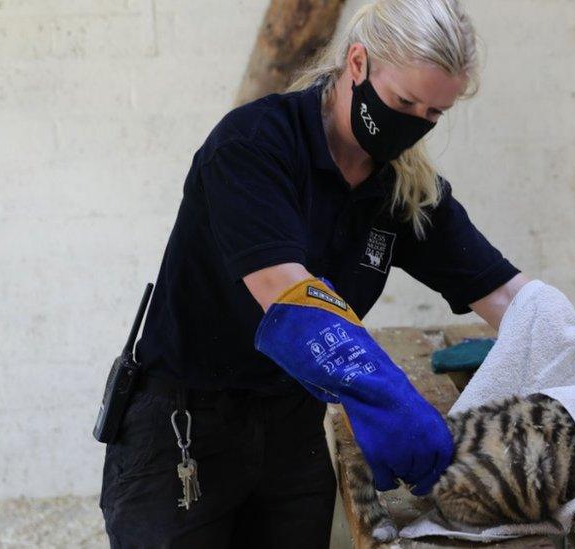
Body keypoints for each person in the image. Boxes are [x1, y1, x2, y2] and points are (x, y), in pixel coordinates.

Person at [99, 0, 531, 546]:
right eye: (402, 101)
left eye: (432, 115)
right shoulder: (254, 146)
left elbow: (505, 293)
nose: (412, 125)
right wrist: (385, 396)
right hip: (184, 425)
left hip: (292, 428)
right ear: (357, 63)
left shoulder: (403, 186)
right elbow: (287, 296)